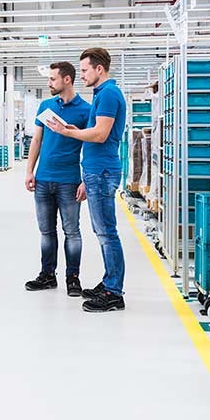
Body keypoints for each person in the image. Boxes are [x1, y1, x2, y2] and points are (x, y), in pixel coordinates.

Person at [45, 47, 127, 313]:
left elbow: (101, 135)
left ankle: (114, 292)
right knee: (102, 231)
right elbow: (94, 131)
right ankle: (109, 283)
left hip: (102, 171)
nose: (81, 76)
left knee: (106, 233)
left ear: (98, 69)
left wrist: (69, 134)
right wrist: (73, 130)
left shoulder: (109, 95)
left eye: (84, 70)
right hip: (96, 170)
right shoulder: (102, 94)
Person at [24, 62, 91, 296]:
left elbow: (91, 147)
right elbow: (37, 141)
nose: (49, 83)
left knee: (72, 232)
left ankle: (73, 278)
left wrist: (85, 180)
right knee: (46, 231)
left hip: (69, 181)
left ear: (67, 80)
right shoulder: (45, 106)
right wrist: (29, 171)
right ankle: (47, 275)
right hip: (43, 179)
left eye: (52, 79)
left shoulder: (85, 110)